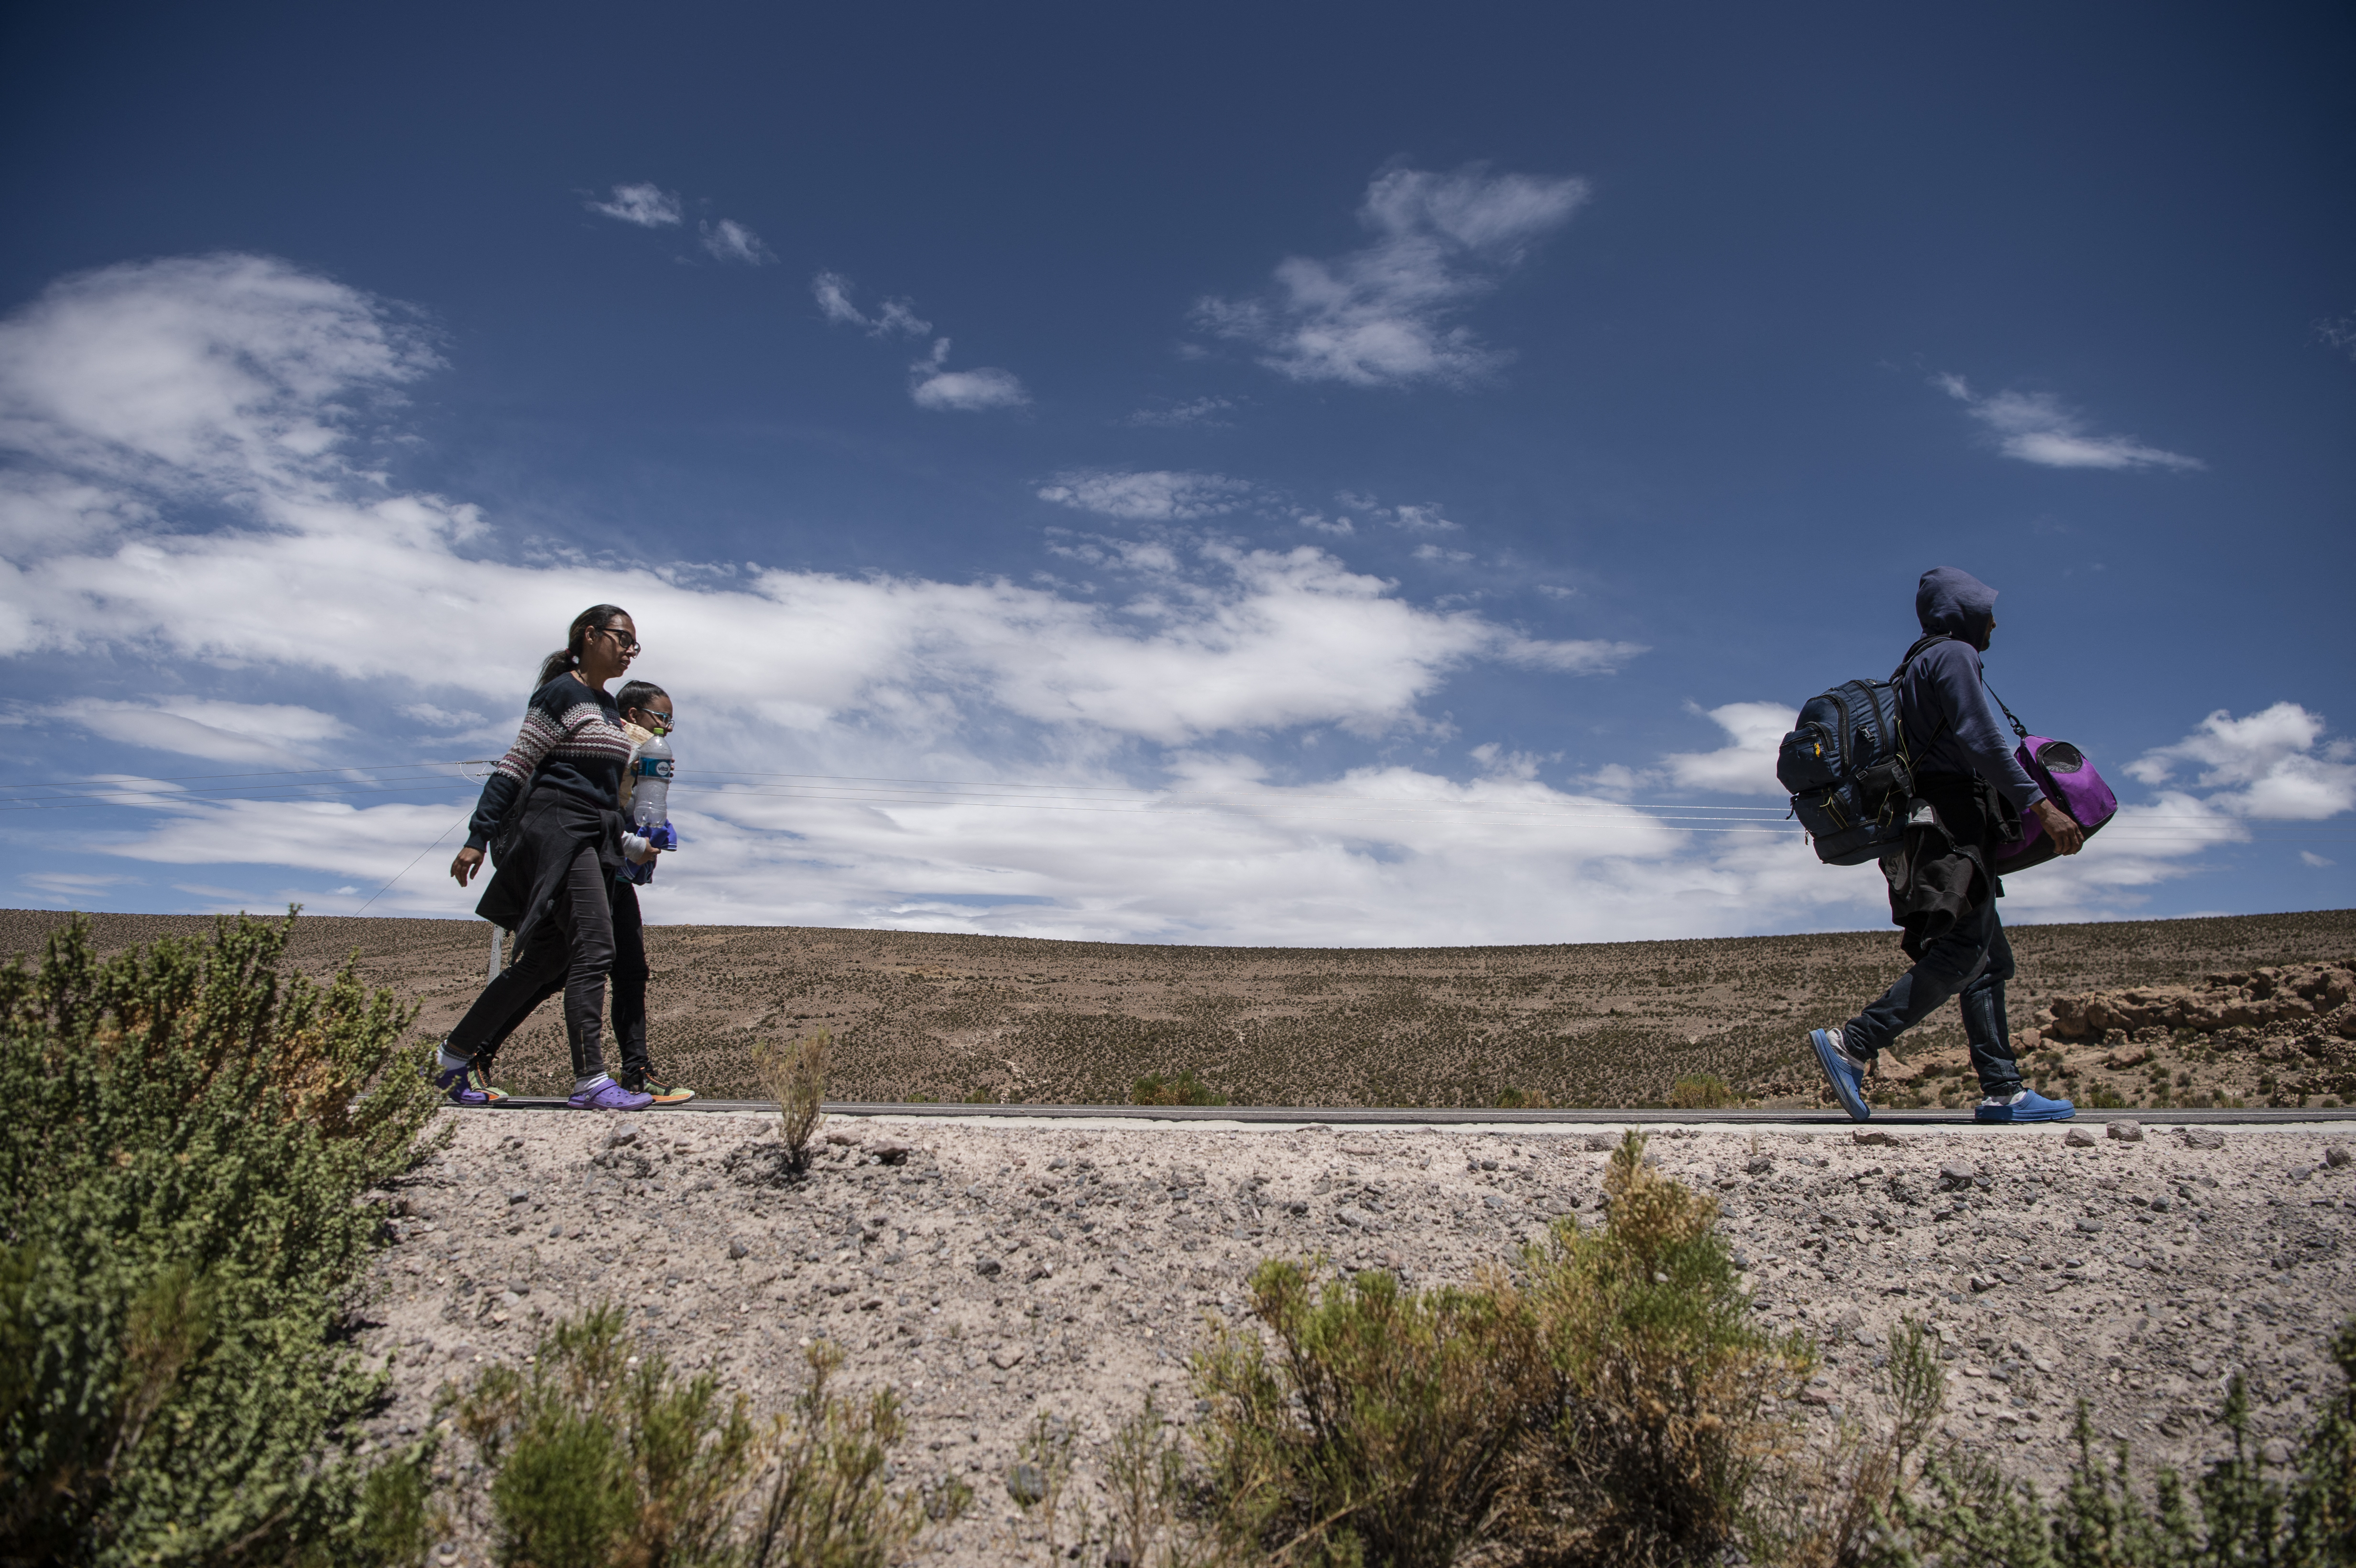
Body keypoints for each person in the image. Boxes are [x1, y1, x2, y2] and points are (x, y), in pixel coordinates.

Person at [1808, 567, 2084, 1124]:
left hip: (1926, 823)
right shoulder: (1954, 655)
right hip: (1953, 822)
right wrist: (2042, 806)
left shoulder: (1914, 663)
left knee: (1984, 960)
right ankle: (1853, 1043)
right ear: (1962, 613)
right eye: (1986, 610)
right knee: (1963, 952)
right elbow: (1980, 738)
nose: (1995, 621)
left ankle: (2001, 1089)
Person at [429, 604, 653, 1111]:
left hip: (596, 836)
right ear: (589, 636)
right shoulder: (561, 694)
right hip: (559, 833)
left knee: (547, 960)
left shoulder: (608, 706)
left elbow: (607, 788)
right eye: (623, 639)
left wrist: (633, 841)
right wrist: (477, 836)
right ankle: (591, 1081)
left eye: (634, 644)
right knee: (596, 949)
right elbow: (515, 765)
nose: (629, 651)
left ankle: (450, 1060)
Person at [462, 681, 696, 1105]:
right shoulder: (610, 740)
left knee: (626, 971)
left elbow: (621, 810)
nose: (667, 729)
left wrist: (645, 821)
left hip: (612, 871)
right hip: (582, 865)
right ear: (631, 714)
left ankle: (635, 1072)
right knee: (549, 969)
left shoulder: (642, 752)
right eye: (661, 718)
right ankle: (475, 1054)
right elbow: (578, 803)